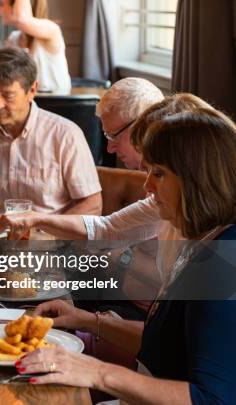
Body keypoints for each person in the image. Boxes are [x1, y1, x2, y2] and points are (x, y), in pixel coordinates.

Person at [16, 109, 236, 404]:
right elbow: (167, 343)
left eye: (158, 173)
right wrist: (87, 320)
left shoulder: (221, 265)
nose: (147, 186)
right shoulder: (204, 242)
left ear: (197, 178)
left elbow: (212, 398)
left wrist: (97, 373)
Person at [0, 92, 212, 244]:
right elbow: (105, 228)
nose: (147, 184)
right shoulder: (166, 202)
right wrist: (36, 218)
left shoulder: (219, 239)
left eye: (158, 173)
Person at [0, 47, 102, 214]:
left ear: (32, 90)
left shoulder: (65, 135)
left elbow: (92, 204)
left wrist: (50, 236)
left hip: (51, 237)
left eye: (8, 95)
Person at [0, 0, 71, 92]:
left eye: (2, 5)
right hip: (30, 102)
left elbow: (22, 19)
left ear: (17, 7)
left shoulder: (52, 30)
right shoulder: (13, 38)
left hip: (56, 102)